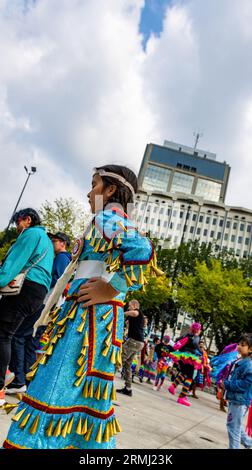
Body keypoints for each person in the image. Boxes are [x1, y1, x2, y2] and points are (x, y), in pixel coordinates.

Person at [4, 165, 158, 449]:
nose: (89, 193)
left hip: (88, 321)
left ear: (110, 190)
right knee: (81, 394)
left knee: (56, 386)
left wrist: (111, 288)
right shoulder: (105, 220)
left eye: (94, 184)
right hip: (95, 320)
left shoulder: (107, 217)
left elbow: (143, 249)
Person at [5, 232, 72, 395]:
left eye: (54, 240)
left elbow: (56, 281)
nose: (51, 242)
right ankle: (26, 380)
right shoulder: (62, 258)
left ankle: (19, 379)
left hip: (46, 304)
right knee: (29, 340)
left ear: (62, 243)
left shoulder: (62, 258)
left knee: (19, 336)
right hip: (47, 304)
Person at [0, 208, 54, 407]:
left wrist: (1, 280)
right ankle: (8, 372)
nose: (17, 228)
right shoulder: (46, 240)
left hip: (25, 288)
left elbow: (14, 262)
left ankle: (4, 379)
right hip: (37, 294)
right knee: (9, 334)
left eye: (18, 223)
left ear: (27, 220)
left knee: (3, 334)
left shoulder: (31, 234)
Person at [220, 333, 252, 449]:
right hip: (236, 399)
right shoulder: (241, 361)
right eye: (238, 344)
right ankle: (249, 444)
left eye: (242, 345)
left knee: (233, 429)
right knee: (235, 426)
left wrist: (228, 385)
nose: (239, 346)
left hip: (240, 401)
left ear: (250, 350)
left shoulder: (248, 365)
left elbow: (245, 384)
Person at [167, 322, 203, 406]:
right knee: (190, 377)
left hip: (182, 356)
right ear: (198, 330)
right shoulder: (196, 336)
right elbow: (195, 343)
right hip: (189, 358)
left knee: (184, 373)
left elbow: (177, 340)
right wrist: (199, 349)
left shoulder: (187, 335)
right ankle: (182, 397)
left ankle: (173, 386)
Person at [117, 299, 145, 396]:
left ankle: (106, 381)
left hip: (134, 341)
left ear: (134, 305)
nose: (128, 307)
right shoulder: (137, 317)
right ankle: (128, 388)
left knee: (119, 359)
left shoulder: (138, 312)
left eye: (129, 305)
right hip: (139, 342)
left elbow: (134, 313)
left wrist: (121, 313)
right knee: (127, 365)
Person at [210, 343, 238, 412]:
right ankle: (221, 404)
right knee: (223, 388)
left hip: (232, 373)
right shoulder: (231, 356)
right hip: (226, 372)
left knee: (225, 389)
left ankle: (223, 401)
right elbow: (226, 349)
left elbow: (225, 349)